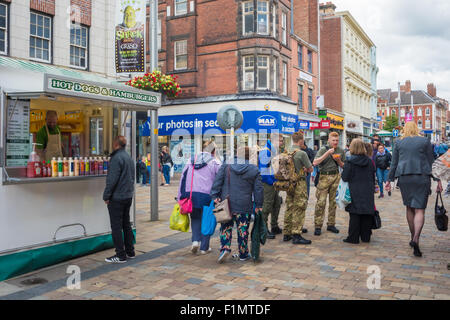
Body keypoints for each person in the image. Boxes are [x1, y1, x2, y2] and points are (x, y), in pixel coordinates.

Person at [385, 122, 435, 257]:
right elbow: (431, 161)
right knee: (420, 209)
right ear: (416, 129)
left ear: (404, 130)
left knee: (409, 208)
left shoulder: (399, 142)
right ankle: (416, 239)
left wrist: (389, 180)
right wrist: (437, 180)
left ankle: (412, 236)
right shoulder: (425, 141)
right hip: (422, 177)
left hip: (405, 177)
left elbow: (394, 163)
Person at [211, 146, 263, 263]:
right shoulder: (254, 169)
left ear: (236, 154)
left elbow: (217, 181)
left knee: (225, 227)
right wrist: (259, 205)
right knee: (243, 229)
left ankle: (225, 248)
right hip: (244, 204)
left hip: (227, 203)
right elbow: (258, 189)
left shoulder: (226, 165)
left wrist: (215, 196)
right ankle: (243, 253)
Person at [178, 141, 221, 255]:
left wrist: (180, 197)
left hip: (191, 195)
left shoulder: (191, 160)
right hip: (208, 195)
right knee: (207, 219)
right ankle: (204, 247)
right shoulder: (215, 162)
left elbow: (182, 178)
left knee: (195, 218)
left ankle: (195, 241)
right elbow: (220, 179)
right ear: (213, 151)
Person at [103, 136, 135, 263]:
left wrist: (106, 195)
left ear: (115, 144)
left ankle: (120, 255)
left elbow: (112, 180)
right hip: (128, 196)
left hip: (117, 197)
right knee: (126, 224)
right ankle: (130, 251)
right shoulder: (128, 157)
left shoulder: (116, 158)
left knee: (116, 226)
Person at [341, 139, 376, 244]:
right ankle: (366, 236)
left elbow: (345, 177)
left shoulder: (350, 161)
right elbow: (372, 176)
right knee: (366, 212)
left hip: (354, 189)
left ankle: (353, 237)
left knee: (355, 214)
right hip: (367, 189)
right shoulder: (369, 161)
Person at [283, 131, 313, 245]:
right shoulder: (301, 153)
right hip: (299, 183)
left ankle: (287, 233)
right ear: (300, 140)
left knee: (289, 206)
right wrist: (305, 169)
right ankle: (296, 234)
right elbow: (310, 169)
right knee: (299, 207)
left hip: (288, 183)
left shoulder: (286, 151)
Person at [312, 132, 345, 236]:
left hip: (335, 176)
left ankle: (331, 224)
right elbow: (315, 162)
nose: (335, 142)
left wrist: (338, 160)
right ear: (329, 141)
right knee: (321, 202)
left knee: (333, 203)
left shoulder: (340, 150)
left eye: (337, 140)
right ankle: (318, 226)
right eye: (333, 140)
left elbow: (344, 166)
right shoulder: (323, 149)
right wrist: (327, 154)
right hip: (324, 177)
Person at [258, 134, 284, 239]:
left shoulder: (274, 151)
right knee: (267, 206)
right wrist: (270, 181)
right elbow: (263, 170)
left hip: (274, 181)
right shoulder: (266, 151)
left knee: (276, 204)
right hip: (268, 183)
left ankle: (274, 226)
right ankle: (263, 229)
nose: (282, 143)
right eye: (280, 141)